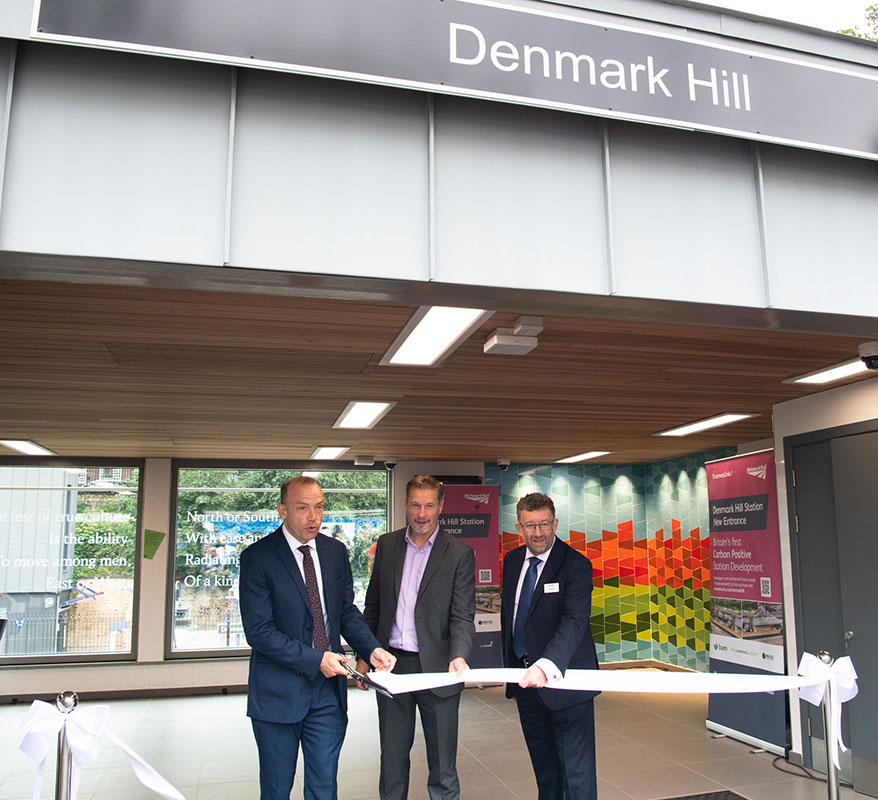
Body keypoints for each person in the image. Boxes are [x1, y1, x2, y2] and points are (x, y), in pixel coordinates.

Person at [239, 476, 396, 800]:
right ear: (283, 510)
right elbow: (260, 632)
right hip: (277, 695)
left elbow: (345, 612)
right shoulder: (258, 557)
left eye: (319, 507)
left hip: (328, 695)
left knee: (324, 788)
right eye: (302, 508)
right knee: (276, 789)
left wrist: (372, 649)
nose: (313, 517)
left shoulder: (335, 551)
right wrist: (316, 660)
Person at [356, 474, 476, 800]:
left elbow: (463, 616)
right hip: (391, 669)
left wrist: (459, 654)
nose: (421, 514)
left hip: (438, 669)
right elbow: (374, 606)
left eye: (428, 505)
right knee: (392, 763)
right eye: (415, 505)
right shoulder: (388, 545)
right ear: (405, 504)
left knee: (443, 768)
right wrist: (365, 655)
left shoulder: (459, 554)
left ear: (441, 506)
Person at [501, 492, 599, 800]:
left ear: (555, 523)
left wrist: (545, 666)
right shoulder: (513, 561)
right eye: (530, 526)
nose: (538, 532)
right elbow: (513, 618)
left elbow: (574, 621)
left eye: (544, 524)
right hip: (526, 684)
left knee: (577, 776)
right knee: (545, 773)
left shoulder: (576, 566)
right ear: (519, 527)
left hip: (567, 685)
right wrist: (514, 677)